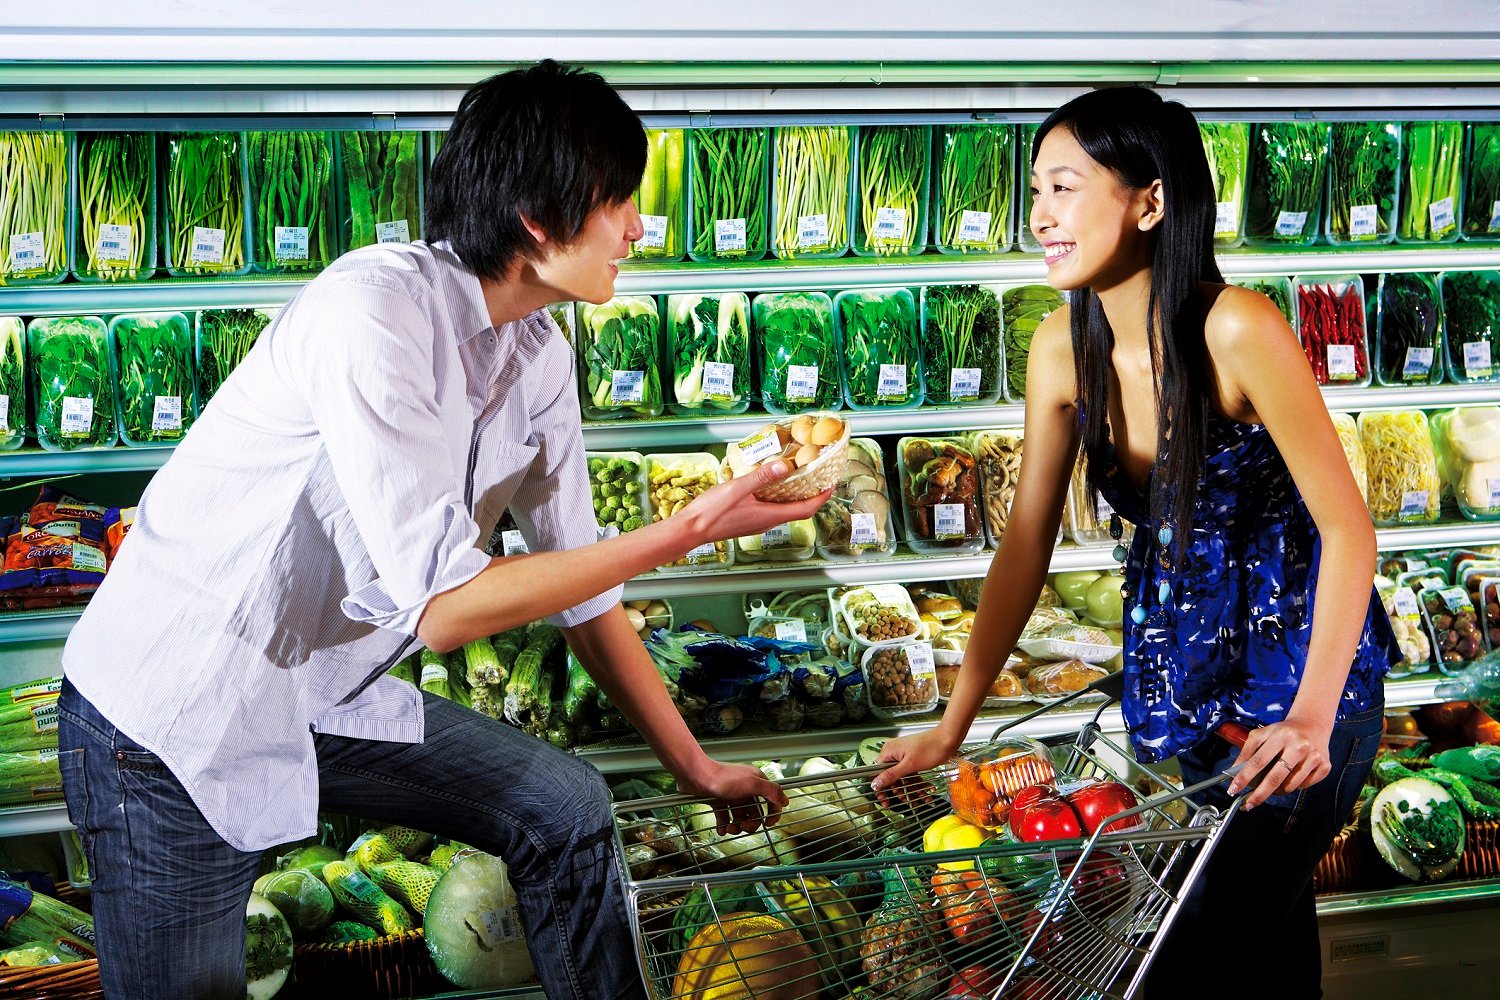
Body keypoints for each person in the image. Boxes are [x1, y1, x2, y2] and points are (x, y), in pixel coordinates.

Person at [57, 61, 826, 1000]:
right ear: (541, 219)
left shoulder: (539, 351)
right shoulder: (372, 312)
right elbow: (448, 613)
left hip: (320, 689)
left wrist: (700, 767)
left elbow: (585, 591)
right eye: (618, 201)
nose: (637, 226)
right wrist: (691, 527)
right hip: (176, 716)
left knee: (566, 808)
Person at [873, 87, 1398, 997]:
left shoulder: (1236, 328)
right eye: (1036, 190)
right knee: (1263, 958)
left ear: (1149, 202)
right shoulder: (1057, 349)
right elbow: (1025, 546)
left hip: (1298, 696)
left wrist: (1312, 717)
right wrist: (952, 724)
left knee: (1179, 962)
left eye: (1065, 188)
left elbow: (1349, 529)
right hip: (1184, 689)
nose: (1040, 215)